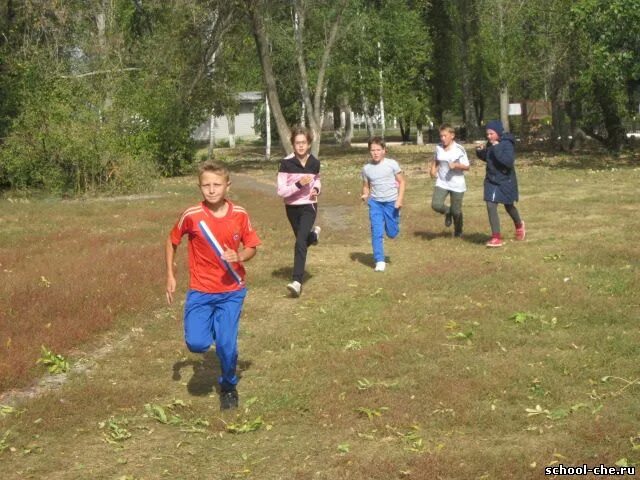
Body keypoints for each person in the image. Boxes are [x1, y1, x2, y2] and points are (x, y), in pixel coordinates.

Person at [165, 161, 261, 410]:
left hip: (232, 291)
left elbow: (252, 246)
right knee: (196, 343)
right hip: (200, 291)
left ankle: (228, 386)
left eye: (217, 184)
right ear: (199, 187)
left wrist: (239, 256)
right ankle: (220, 334)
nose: (211, 189)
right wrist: (170, 274)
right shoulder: (192, 215)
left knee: (227, 345)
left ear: (227, 185)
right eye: (206, 185)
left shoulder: (240, 214)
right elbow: (172, 240)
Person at [277, 126, 321, 297]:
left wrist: (316, 190)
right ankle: (314, 236)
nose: (301, 146)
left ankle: (296, 281)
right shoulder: (285, 163)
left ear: (309, 144)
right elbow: (281, 192)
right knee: (302, 241)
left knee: (300, 242)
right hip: (291, 207)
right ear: (293, 144)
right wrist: (299, 184)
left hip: (309, 206)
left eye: (304, 143)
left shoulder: (314, 162)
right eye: (297, 143)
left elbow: (317, 181)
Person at [475, 120, 526, 247]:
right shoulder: (491, 143)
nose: (489, 136)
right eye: (487, 134)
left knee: (509, 206)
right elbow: (488, 158)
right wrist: (480, 152)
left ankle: (519, 225)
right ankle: (496, 237)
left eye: (491, 133)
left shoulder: (506, 144)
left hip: (505, 181)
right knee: (490, 205)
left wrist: (496, 147)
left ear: (498, 132)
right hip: (491, 180)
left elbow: (507, 162)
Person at [361, 136, 406, 272]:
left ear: (384, 150)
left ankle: (394, 219)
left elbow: (402, 182)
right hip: (375, 204)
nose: (375, 153)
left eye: (378, 150)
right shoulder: (366, 168)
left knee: (392, 233)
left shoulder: (392, 164)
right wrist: (365, 194)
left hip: (391, 202)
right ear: (369, 151)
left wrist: (399, 200)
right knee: (376, 231)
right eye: (372, 150)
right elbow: (366, 186)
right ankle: (380, 260)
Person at [430, 124, 470, 237]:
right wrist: (433, 170)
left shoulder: (459, 149)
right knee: (436, 205)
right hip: (442, 182)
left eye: (445, 136)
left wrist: (456, 165)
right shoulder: (438, 147)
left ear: (452, 135)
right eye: (441, 136)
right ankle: (447, 212)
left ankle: (458, 230)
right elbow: (436, 160)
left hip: (457, 183)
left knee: (456, 211)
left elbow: (467, 166)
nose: (442, 138)